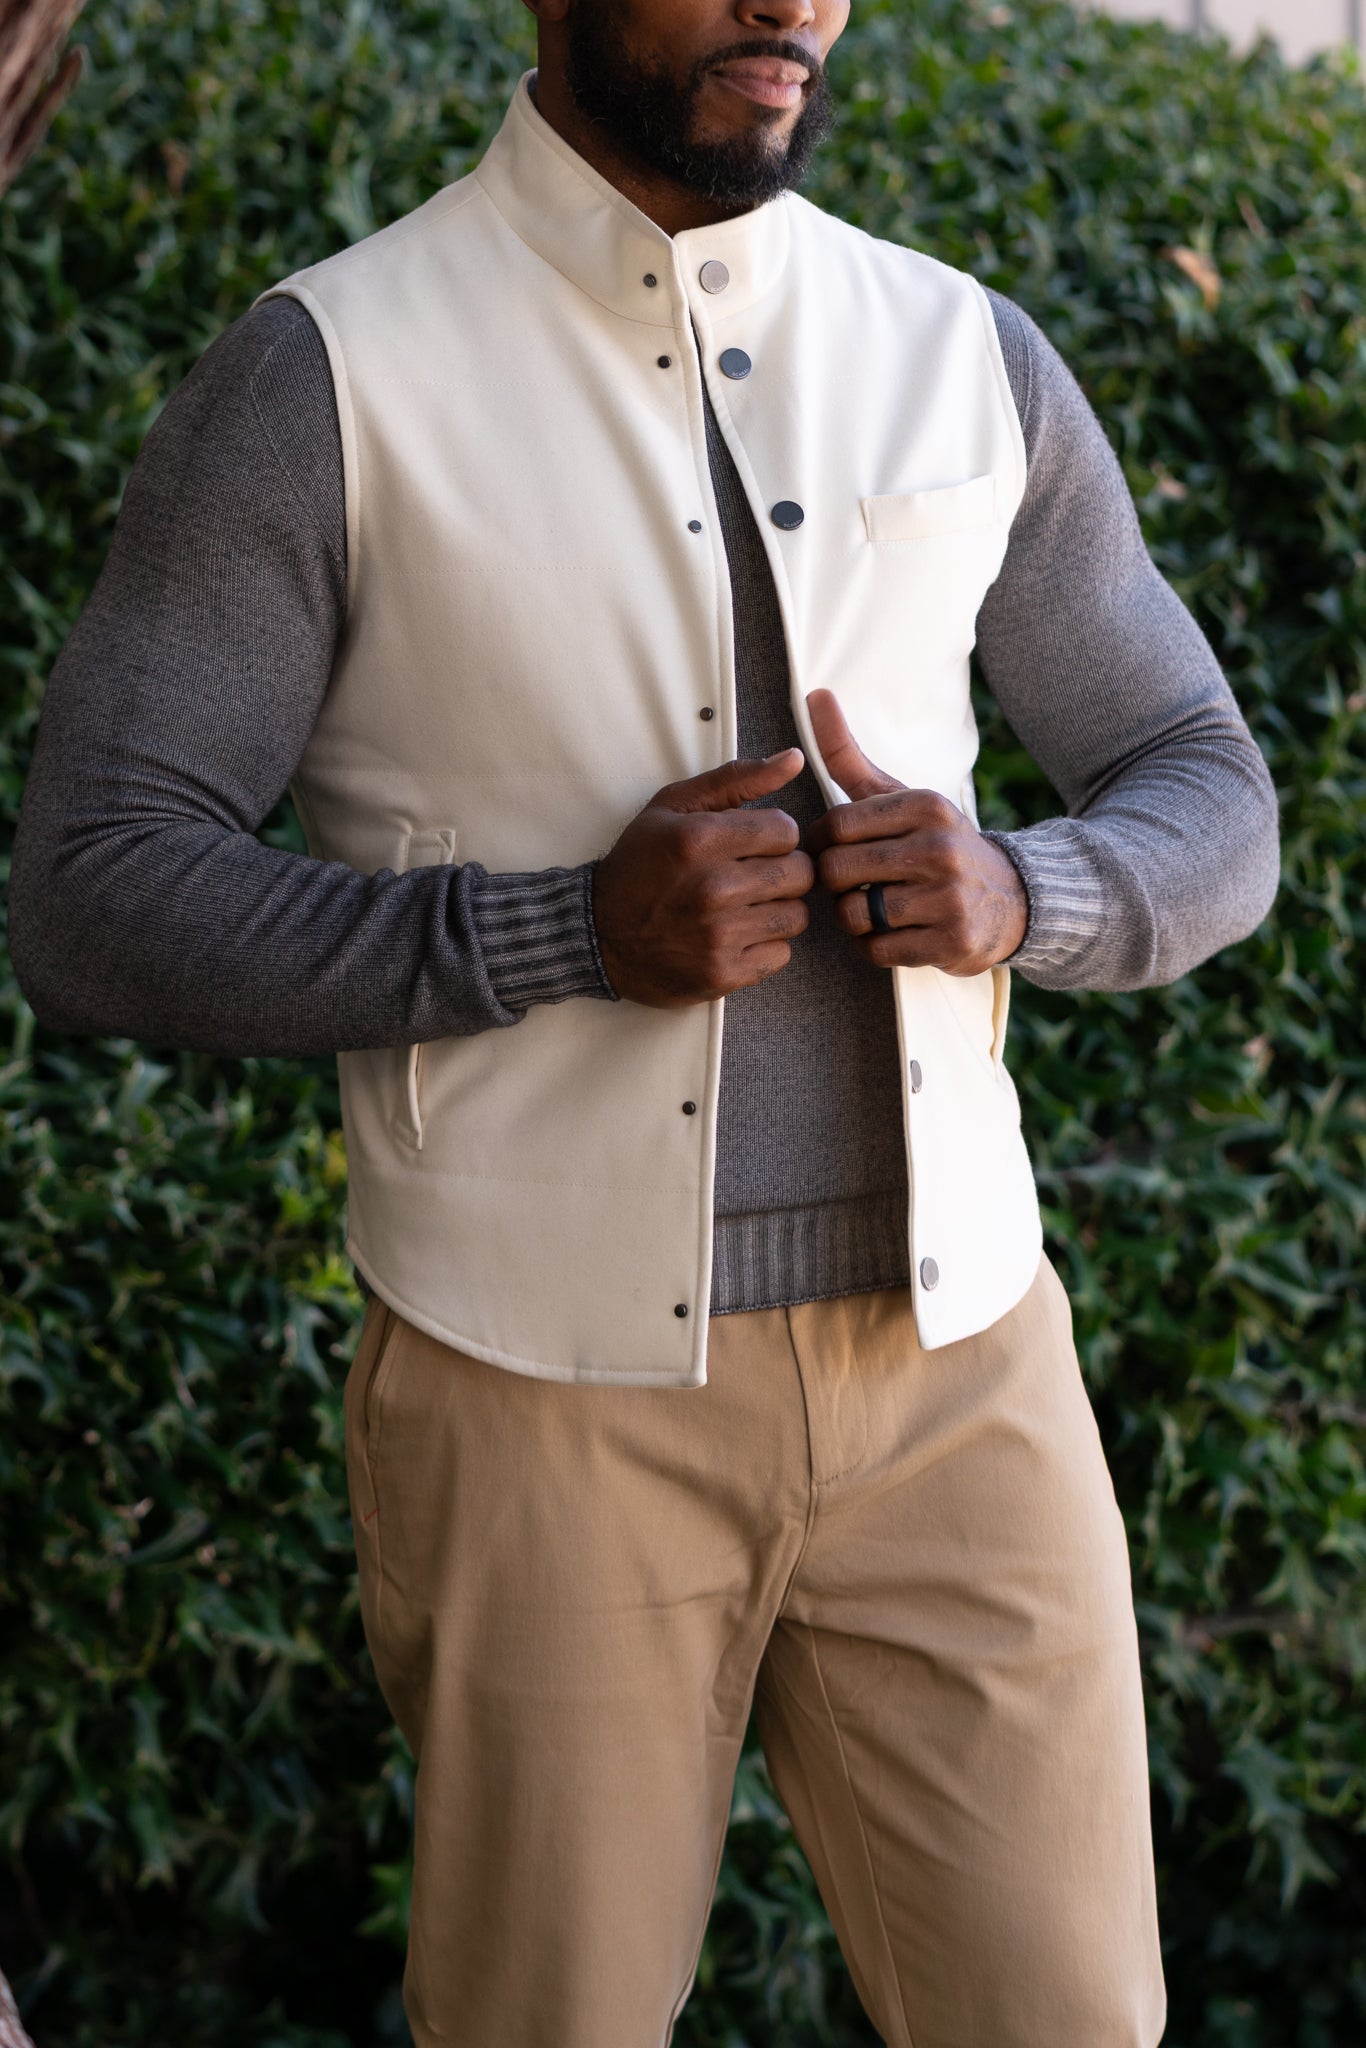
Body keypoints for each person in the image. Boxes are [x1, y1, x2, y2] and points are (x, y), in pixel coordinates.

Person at [9, 0, 1280, 2041]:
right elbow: (91, 890)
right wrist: (556, 933)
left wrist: (1022, 890)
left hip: (967, 1372)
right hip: (535, 1391)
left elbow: (1202, 784)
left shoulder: (959, 352)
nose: (791, 4)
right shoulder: (326, 373)